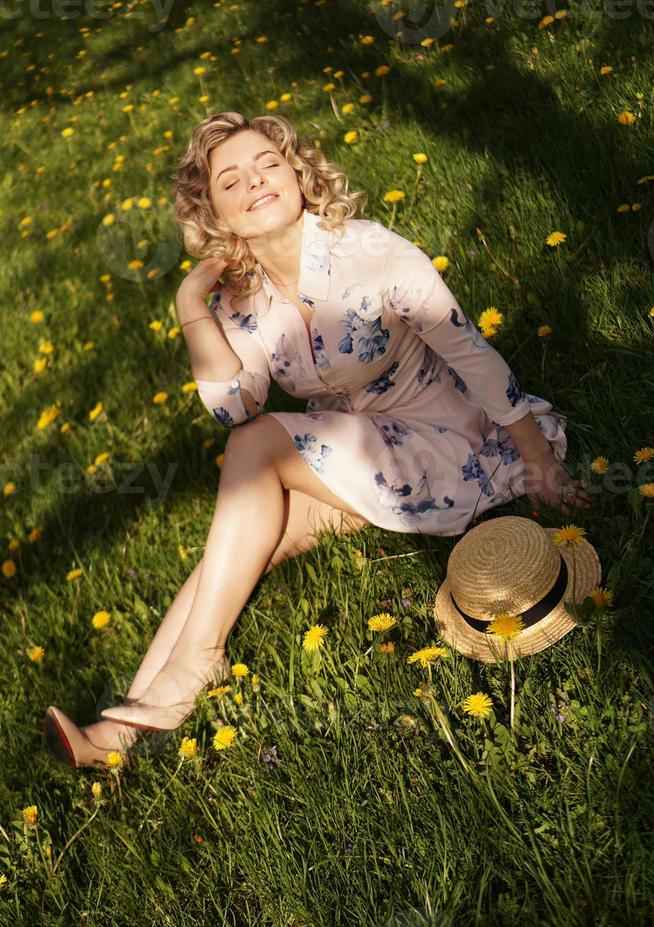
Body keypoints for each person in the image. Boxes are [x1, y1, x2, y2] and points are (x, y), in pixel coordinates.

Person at [44, 111, 592, 768]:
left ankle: (198, 666)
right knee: (243, 546)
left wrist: (536, 456)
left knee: (253, 451)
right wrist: (193, 309)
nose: (254, 183)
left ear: (298, 172)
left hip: (452, 444)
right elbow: (232, 403)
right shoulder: (237, 297)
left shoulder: (371, 251)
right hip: (364, 449)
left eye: (267, 165)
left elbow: (471, 353)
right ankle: (119, 737)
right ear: (213, 213)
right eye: (230, 181)